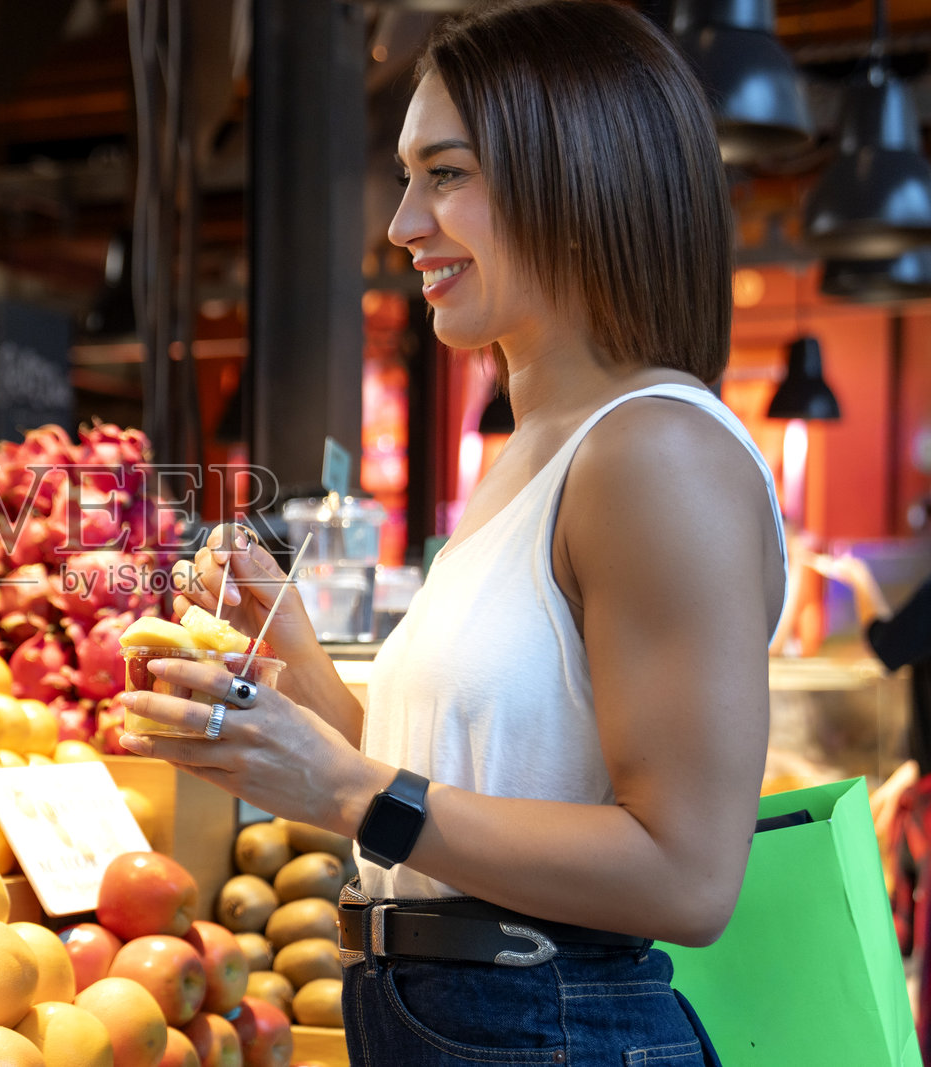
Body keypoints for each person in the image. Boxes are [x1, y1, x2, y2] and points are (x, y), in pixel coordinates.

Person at [119, 1, 787, 1063]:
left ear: (574, 180)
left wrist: (343, 786)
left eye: (445, 174)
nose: (400, 225)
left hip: (550, 1022)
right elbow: (461, 792)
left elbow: (686, 872)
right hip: (451, 1014)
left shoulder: (653, 451)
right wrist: (297, 665)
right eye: (404, 176)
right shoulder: (530, 450)